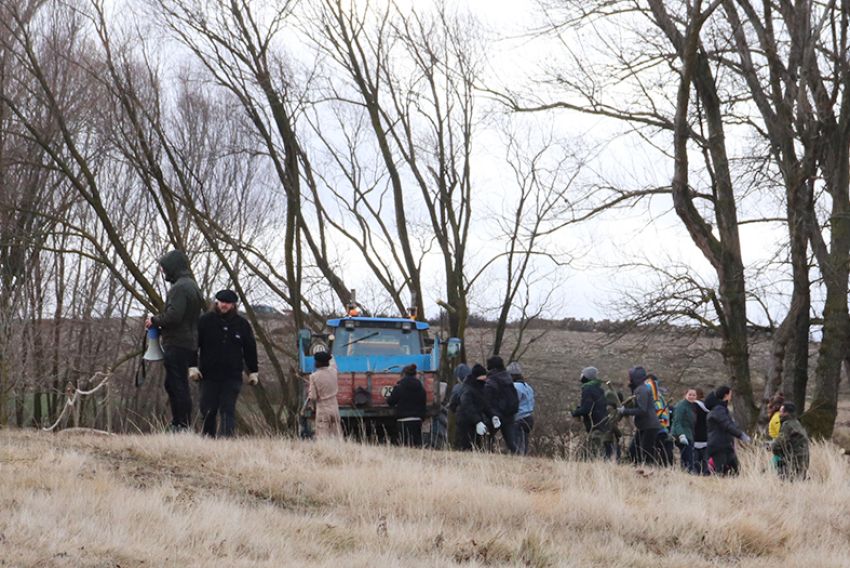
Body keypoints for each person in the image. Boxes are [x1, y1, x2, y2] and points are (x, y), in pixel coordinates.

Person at [145, 250, 204, 432]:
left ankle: (181, 424)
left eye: (164, 269)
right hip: (189, 342)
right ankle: (181, 423)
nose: (163, 273)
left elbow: (174, 316)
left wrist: (154, 320)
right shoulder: (192, 286)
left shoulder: (178, 288)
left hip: (177, 342)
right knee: (176, 383)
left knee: (176, 384)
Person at [193, 289, 258, 438]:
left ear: (233, 305)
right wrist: (192, 366)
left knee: (228, 409)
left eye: (228, 303)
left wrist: (253, 371)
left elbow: (250, 348)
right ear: (216, 302)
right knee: (208, 409)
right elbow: (194, 344)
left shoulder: (242, 324)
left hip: (232, 375)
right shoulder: (204, 321)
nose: (224, 305)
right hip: (208, 374)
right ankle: (208, 439)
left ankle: (226, 441)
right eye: (222, 302)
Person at [619, 366, 661, 465]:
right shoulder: (639, 389)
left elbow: (642, 410)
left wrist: (625, 411)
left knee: (646, 453)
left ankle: (648, 472)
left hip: (649, 426)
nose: (628, 380)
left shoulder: (641, 390)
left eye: (630, 377)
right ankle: (639, 470)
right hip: (644, 426)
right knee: (634, 451)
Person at [706, 385, 751, 475]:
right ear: (726, 395)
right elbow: (727, 425)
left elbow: (731, 424)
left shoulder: (723, 409)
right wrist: (741, 435)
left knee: (736, 471)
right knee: (721, 472)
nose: (731, 396)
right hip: (719, 446)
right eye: (730, 394)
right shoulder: (718, 410)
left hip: (726, 446)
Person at [571, 366, 610, 459]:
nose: (581, 376)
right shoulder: (599, 389)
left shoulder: (588, 389)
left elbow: (586, 409)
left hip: (594, 423)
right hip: (602, 422)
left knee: (595, 449)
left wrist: (576, 412)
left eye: (583, 374)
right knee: (603, 447)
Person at [449, 363, 490, 450]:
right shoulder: (478, 387)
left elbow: (453, 404)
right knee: (475, 444)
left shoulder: (459, 388)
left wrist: (458, 411)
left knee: (465, 444)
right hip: (477, 419)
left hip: (464, 420)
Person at [484, 356, 520, 454]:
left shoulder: (491, 381)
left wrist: (491, 413)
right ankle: (520, 459)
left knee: (486, 439)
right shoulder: (508, 378)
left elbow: (487, 400)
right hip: (509, 414)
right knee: (512, 443)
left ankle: (487, 454)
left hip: (496, 414)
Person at [386, 364, 427, 447]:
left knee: (404, 446)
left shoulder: (399, 387)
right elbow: (423, 403)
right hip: (417, 421)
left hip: (403, 421)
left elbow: (391, 402)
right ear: (415, 375)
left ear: (403, 375)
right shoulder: (421, 388)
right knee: (416, 446)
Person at [770, 402, 809, 481]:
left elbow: (778, 443)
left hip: (793, 460)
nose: (779, 414)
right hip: (803, 459)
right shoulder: (797, 423)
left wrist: (771, 447)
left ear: (786, 413)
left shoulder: (787, 425)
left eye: (781, 411)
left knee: (787, 481)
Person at [307, 351, 342, 439]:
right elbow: (333, 362)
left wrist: (309, 395)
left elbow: (313, 397)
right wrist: (330, 354)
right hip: (335, 408)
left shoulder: (313, 376)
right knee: (336, 434)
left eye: (315, 361)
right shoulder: (334, 371)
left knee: (323, 435)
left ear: (318, 362)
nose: (314, 363)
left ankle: (325, 451)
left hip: (323, 409)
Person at [508, 362, 535, 455]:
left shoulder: (515, 387)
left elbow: (513, 403)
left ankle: (519, 461)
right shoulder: (528, 387)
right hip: (529, 417)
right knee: (524, 442)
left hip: (519, 418)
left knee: (518, 445)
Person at [670, 388, 696, 471]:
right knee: (688, 456)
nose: (692, 396)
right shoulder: (681, 406)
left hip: (688, 433)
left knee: (688, 456)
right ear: (685, 395)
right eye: (690, 394)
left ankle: (686, 471)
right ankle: (688, 472)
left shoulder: (691, 406)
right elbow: (677, 421)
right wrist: (681, 435)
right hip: (681, 434)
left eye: (694, 395)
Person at [692, 388, 710, 475]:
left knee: (695, 459)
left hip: (695, 436)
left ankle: (696, 474)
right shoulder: (708, 406)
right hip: (706, 436)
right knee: (705, 459)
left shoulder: (693, 406)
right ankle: (706, 473)